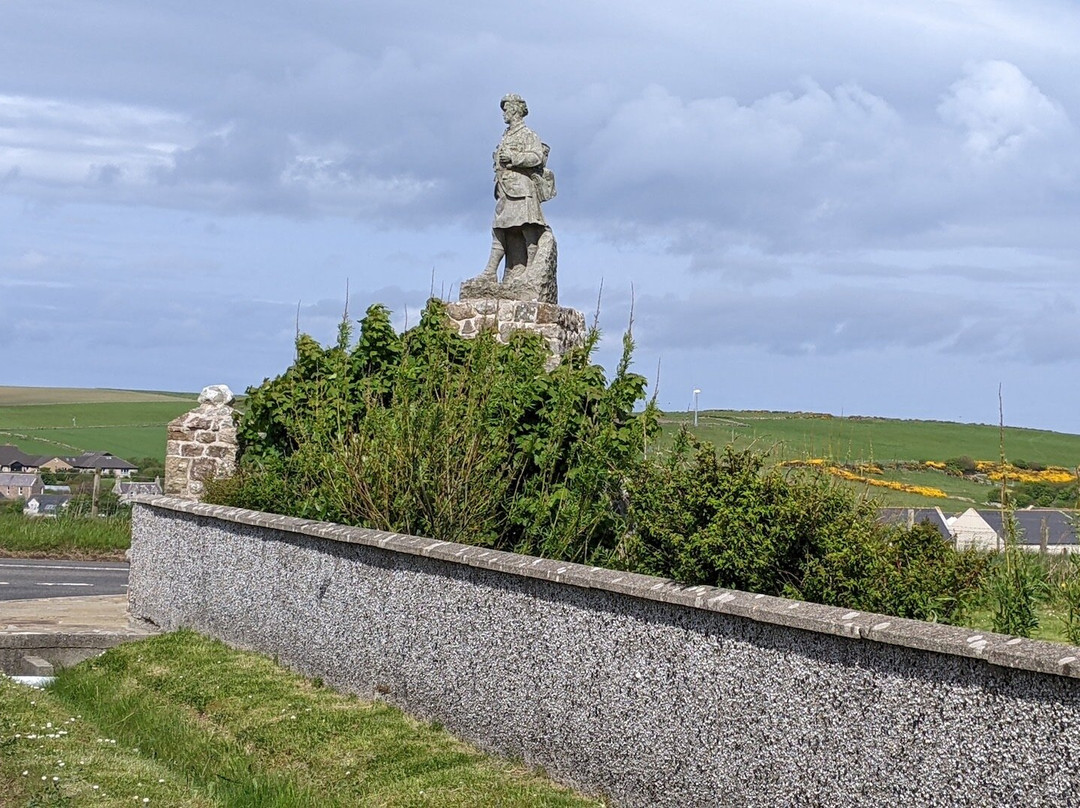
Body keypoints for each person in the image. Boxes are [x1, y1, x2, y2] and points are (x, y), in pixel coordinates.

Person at [476, 94, 556, 290]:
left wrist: (514, 156)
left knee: (527, 228)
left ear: (516, 109)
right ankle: (490, 271)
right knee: (499, 229)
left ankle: (530, 270)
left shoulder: (528, 134)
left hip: (522, 188)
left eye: (507, 108)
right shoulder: (507, 135)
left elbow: (537, 157)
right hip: (505, 189)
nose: (504, 113)